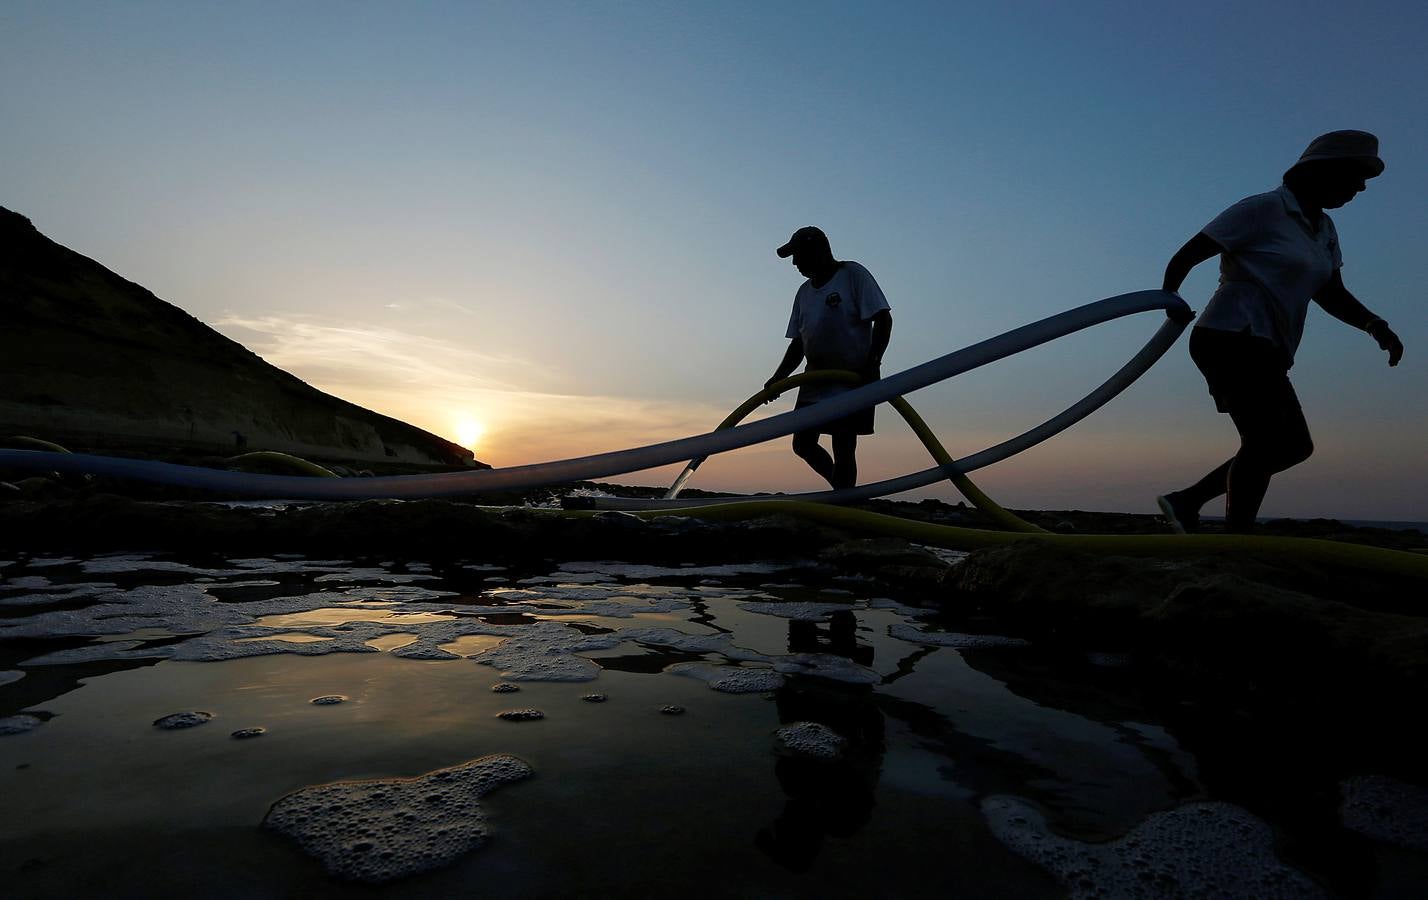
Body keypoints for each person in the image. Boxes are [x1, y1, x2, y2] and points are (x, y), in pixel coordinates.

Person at [1156, 130, 1403, 533]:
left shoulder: (1324, 230)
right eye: (1355, 176)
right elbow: (1188, 254)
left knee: (1290, 446)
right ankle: (1235, 535)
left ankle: (1187, 502)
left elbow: (1331, 291)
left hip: (1270, 347)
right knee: (1268, 440)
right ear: (1324, 171)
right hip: (1230, 336)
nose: (1360, 188)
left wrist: (1376, 326)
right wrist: (1169, 302)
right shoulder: (1262, 209)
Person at [765, 226, 893, 489]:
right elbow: (798, 344)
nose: (795, 262)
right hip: (815, 380)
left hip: (854, 376)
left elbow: (883, 319)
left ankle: (845, 502)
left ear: (817, 251)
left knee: (843, 443)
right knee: (802, 443)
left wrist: (873, 362)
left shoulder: (852, 274)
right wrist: (778, 379)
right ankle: (842, 491)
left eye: (798, 255)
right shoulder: (803, 293)